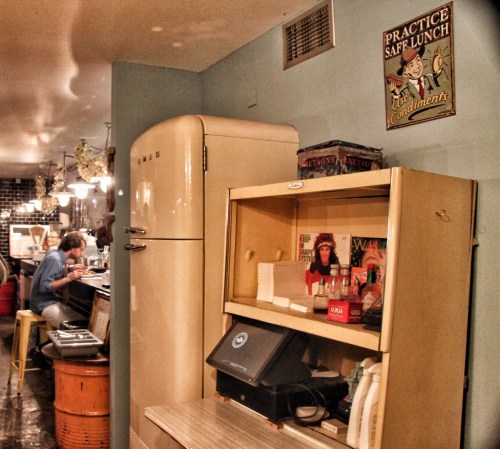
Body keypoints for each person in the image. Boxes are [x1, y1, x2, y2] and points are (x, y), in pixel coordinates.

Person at [30, 231, 87, 328]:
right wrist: (69, 277)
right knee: (75, 326)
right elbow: (44, 287)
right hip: (43, 304)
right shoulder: (55, 259)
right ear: (72, 248)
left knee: (83, 319)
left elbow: (54, 270)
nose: (82, 254)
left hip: (46, 301)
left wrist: (69, 268)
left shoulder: (54, 252)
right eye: (81, 250)